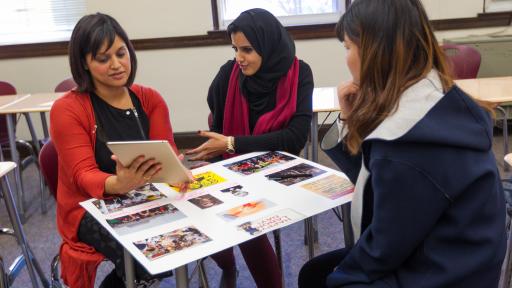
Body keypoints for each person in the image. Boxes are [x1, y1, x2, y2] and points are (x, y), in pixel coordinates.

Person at [298, 0, 506, 287]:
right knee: (313, 273)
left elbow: (382, 249)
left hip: (441, 272)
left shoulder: (406, 143)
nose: (346, 58)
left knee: (321, 278)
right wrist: (350, 120)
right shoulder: (435, 97)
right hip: (462, 258)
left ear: (375, 52)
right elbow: (374, 178)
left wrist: (339, 278)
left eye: (347, 47)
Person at [50, 13, 190, 288]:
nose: (116, 65)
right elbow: (82, 175)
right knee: (147, 258)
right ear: (84, 64)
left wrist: (176, 169)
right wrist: (118, 183)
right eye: (103, 59)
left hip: (144, 195)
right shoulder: (68, 109)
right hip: (88, 208)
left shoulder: (149, 98)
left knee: (188, 238)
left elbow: (166, 151)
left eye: (121, 53)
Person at [186, 8, 314, 288]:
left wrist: (233, 143)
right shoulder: (228, 75)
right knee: (199, 195)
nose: (238, 58)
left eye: (247, 49)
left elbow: (294, 138)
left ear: (268, 45)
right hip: (236, 165)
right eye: (235, 49)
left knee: (245, 214)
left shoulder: (298, 73)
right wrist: (216, 153)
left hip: (282, 168)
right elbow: (219, 131)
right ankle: (228, 265)